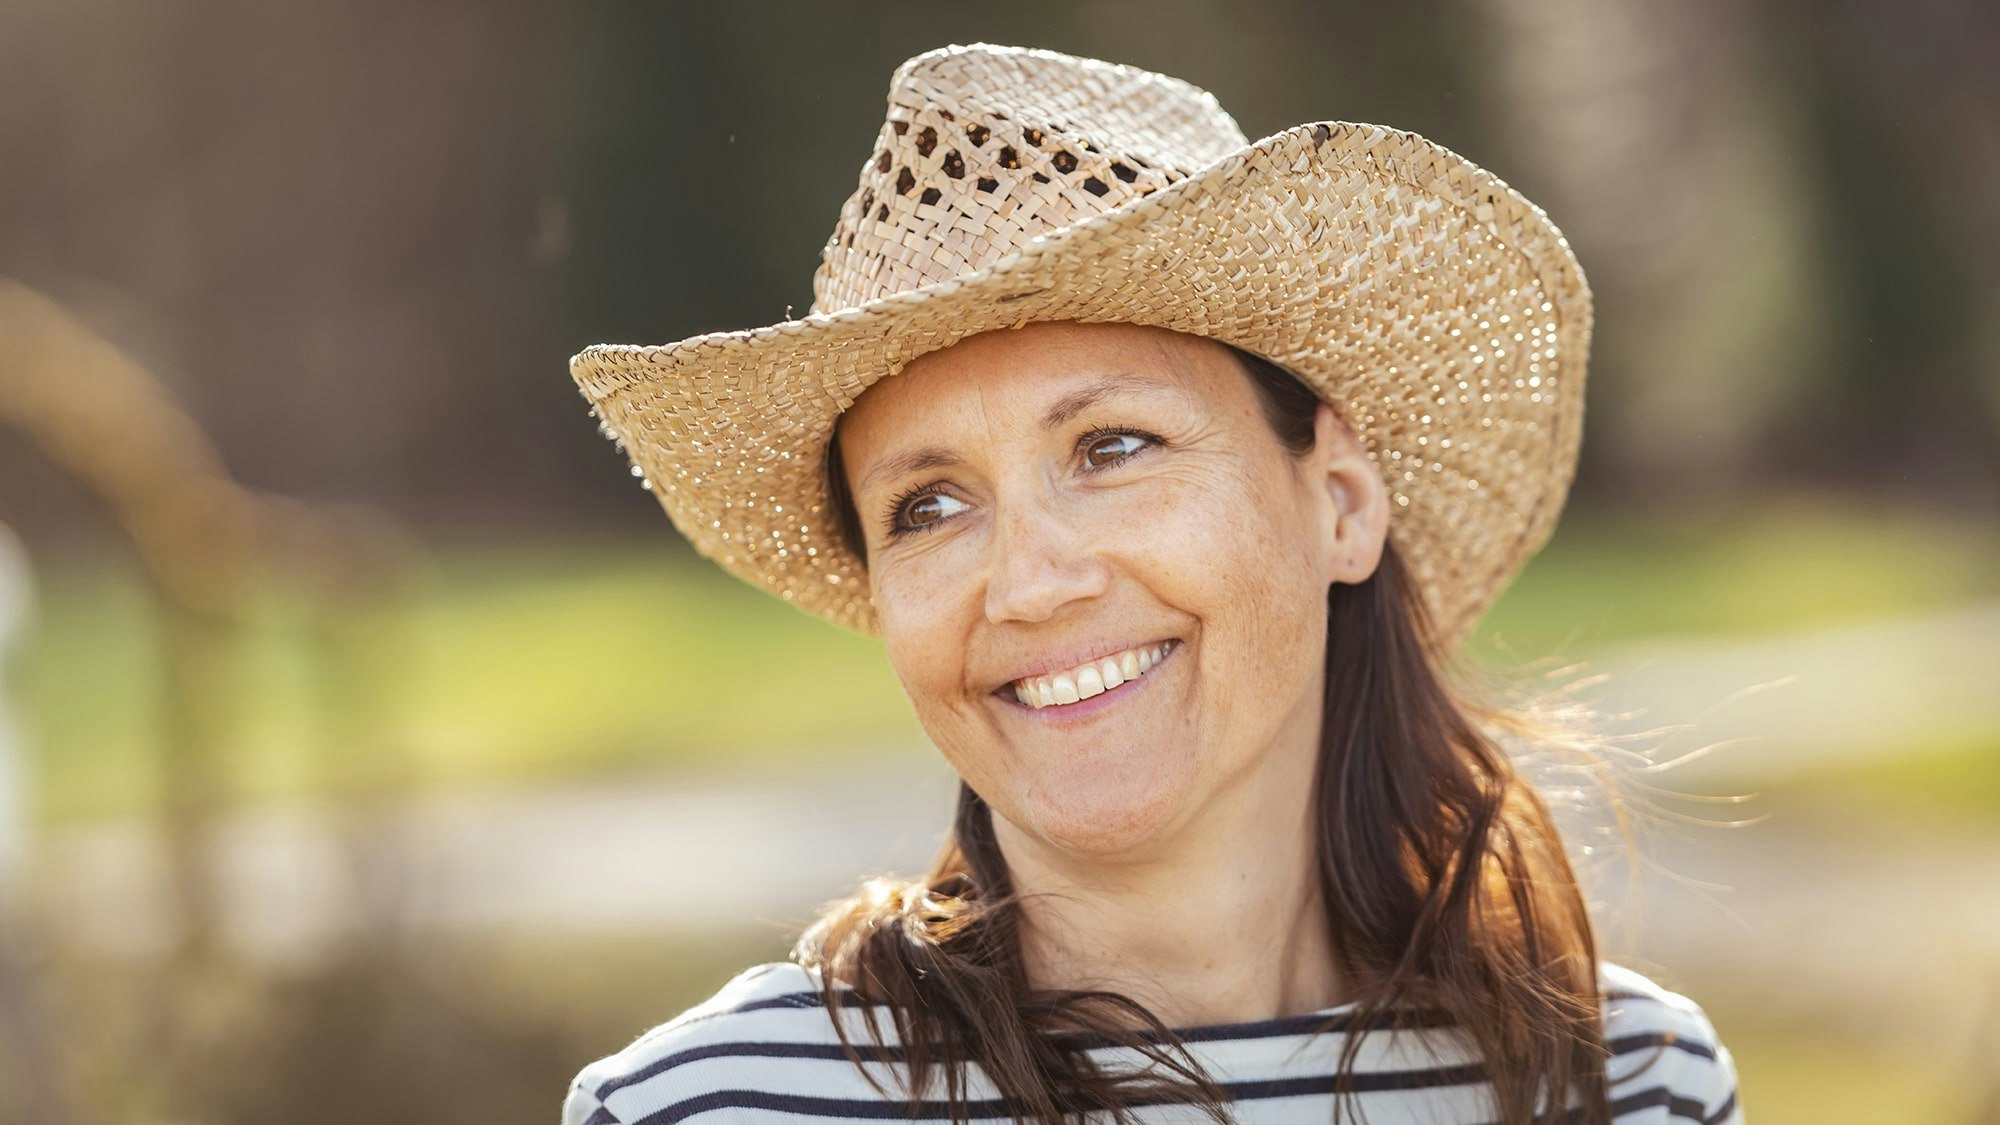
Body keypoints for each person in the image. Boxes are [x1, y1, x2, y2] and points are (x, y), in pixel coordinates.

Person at [559, 43, 1742, 1125]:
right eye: (927, 507)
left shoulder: (1623, 1084)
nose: (1028, 584)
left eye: (1112, 447)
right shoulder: (713, 1109)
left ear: (1337, 500)